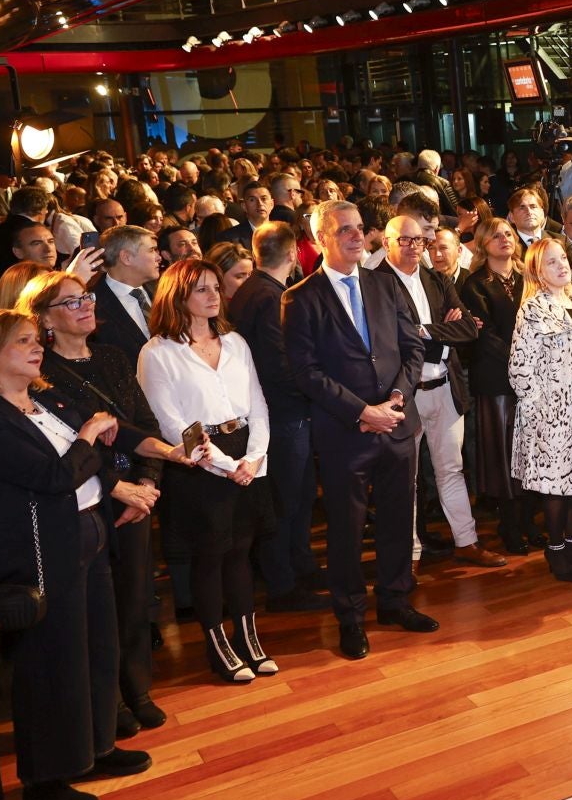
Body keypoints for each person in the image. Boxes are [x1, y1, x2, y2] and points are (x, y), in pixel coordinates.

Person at [0, 310, 152, 800]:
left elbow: (97, 459)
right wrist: (89, 434)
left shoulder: (44, 401)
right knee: (50, 667)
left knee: (97, 649)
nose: (36, 346)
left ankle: (95, 748)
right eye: (22, 342)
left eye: (34, 338)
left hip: (85, 535)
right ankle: (45, 782)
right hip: (39, 556)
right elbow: (55, 475)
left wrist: (110, 468)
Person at [25, 269, 197, 734]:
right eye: (71, 302)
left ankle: (136, 688)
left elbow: (144, 424)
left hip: (136, 495)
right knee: (95, 609)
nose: (86, 305)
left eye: (86, 298)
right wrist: (116, 488)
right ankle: (109, 701)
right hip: (88, 500)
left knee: (136, 597)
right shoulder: (39, 376)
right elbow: (62, 446)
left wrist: (148, 485)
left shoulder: (114, 357)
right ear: (43, 319)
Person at [282, 200, 434, 660]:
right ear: (320, 239)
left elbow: (412, 350)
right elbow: (305, 372)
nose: (355, 236)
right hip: (345, 432)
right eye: (343, 230)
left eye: (359, 228)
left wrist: (395, 400)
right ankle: (349, 616)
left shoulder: (386, 286)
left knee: (395, 519)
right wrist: (361, 411)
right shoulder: (300, 298)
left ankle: (394, 600)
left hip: (396, 423)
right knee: (346, 530)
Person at [138, 259, 275, 683]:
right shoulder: (158, 352)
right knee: (210, 558)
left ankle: (249, 640)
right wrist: (227, 465)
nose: (213, 295)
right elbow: (170, 423)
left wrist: (253, 459)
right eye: (201, 289)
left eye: (215, 287)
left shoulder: (235, 342)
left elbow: (258, 406)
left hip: (245, 457)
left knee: (241, 553)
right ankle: (218, 648)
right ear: (178, 296)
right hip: (198, 465)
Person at [376, 214, 501, 569]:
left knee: (452, 469)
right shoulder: (376, 284)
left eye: (420, 240)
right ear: (387, 243)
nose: (415, 247)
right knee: (407, 478)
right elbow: (388, 342)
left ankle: (467, 541)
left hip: (445, 387)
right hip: (404, 395)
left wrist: (425, 331)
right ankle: (410, 554)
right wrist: (439, 331)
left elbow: (468, 330)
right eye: (406, 240)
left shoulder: (437, 278)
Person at [227, 223, 326, 612]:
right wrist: (315, 391)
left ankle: (299, 566)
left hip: (281, 412)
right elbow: (281, 360)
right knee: (288, 501)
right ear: (291, 255)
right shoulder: (269, 296)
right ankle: (283, 584)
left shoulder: (255, 289)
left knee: (298, 497)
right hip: (283, 414)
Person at [508, 237, 572, 582]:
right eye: (551, 262)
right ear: (537, 271)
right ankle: (557, 551)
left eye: (563, 258)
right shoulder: (533, 308)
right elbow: (519, 369)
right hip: (551, 414)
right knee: (554, 486)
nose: (562, 265)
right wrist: (542, 409)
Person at [460, 218, 531, 554]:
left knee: (530, 450)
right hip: (496, 378)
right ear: (483, 243)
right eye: (496, 235)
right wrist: (521, 360)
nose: (504, 239)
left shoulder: (528, 276)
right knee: (504, 453)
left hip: (534, 378)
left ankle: (530, 519)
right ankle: (510, 524)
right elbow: (484, 335)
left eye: (508, 233)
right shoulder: (474, 284)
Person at [90, 225, 161, 366]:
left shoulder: (164, 289)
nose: (159, 257)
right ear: (126, 257)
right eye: (152, 250)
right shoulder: (92, 304)